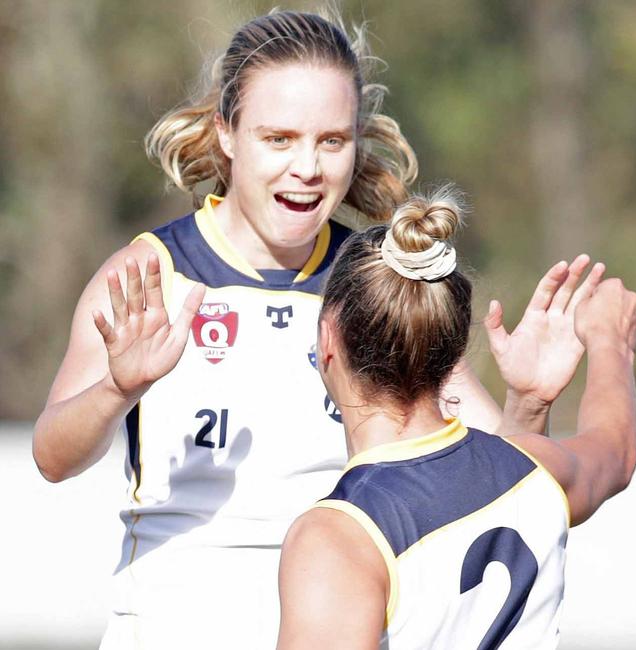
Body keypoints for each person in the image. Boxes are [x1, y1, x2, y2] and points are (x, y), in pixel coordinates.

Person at [31, 9, 517, 650]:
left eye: (331, 140)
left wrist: (530, 404)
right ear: (227, 134)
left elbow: (507, 468)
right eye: (279, 138)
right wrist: (116, 390)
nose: (308, 167)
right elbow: (52, 457)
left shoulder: (378, 283)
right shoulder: (151, 273)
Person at [276, 191, 636, 650]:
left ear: (328, 336)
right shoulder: (533, 466)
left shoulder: (339, 538)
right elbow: (618, 450)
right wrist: (609, 340)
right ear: (451, 347)